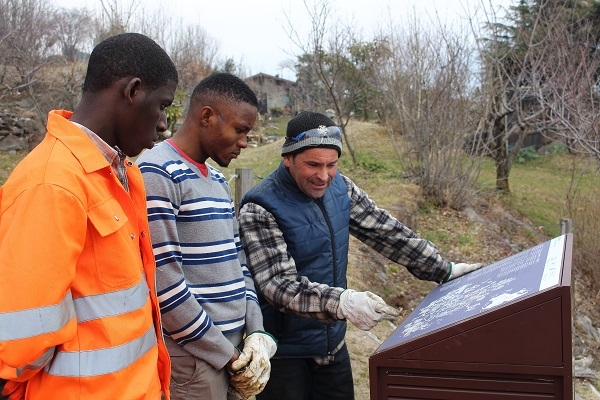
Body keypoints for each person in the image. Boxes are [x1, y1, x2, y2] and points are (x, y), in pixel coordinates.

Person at [237, 110, 484, 400]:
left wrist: (442, 269)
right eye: (313, 164)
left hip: (333, 346)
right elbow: (278, 285)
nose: (323, 175)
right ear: (287, 158)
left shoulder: (341, 188)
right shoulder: (260, 207)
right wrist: (342, 302)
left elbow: (385, 230)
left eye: (332, 164)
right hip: (287, 354)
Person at [0, 33, 178, 400]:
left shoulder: (122, 173)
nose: (163, 124)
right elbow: (19, 341)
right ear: (133, 91)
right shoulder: (51, 183)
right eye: (162, 106)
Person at [136, 73, 277, 400]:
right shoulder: (157, 172)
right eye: (240, 130)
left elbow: (240, 264)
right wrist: (226, 356)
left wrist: (255, 333)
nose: (244, 142)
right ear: (206, 116)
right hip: (194, 360)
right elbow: (165, 286)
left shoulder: (216, 180)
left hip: (235, 351)